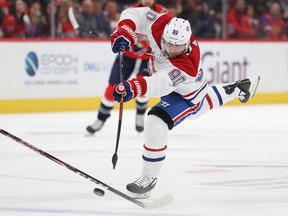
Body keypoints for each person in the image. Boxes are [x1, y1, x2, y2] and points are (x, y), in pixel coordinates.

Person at [110, 7, 261, 198]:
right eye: (168, 44)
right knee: (201, 105)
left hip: (185, 96)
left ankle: (148, 178)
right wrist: (125, 29)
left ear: (187, 44)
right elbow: (136, 13)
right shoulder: (161, 23)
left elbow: (161, 84)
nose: (171, 49)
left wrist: (133, 87)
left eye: (177, 47)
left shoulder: (186, 65)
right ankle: (238, 88)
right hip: (189, 88)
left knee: (157, 122)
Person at [86, 0, 170, 135]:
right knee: (110, 89)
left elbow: (166, 38)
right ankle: (100, 119)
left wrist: (149, 46)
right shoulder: (131, 11)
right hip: (127, 56)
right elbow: (123, 28)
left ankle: (140, 116)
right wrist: (125, 39)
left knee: (143, 88)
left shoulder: (163, 13)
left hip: (147, 58)